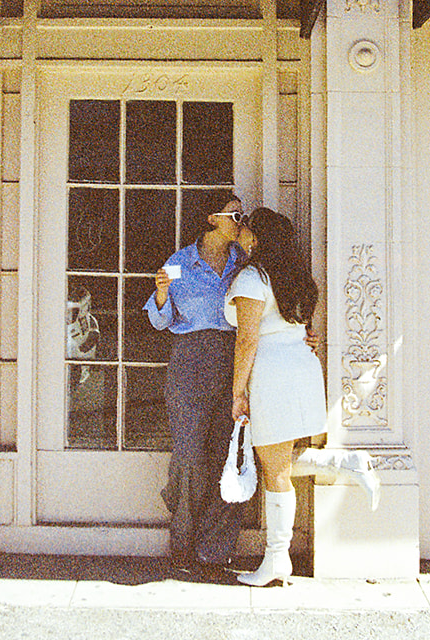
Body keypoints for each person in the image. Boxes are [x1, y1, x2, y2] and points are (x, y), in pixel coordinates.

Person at [227, 207, 381, 587]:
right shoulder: (293, 277)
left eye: (246, 229)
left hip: (272, 375)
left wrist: (237, 392)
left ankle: (277, 558)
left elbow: (247, 340)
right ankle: (348, 462)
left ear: (258, 238)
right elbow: (298, 329)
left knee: (275, 469)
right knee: (276, 460)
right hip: (300, 369)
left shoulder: (252, 278)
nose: (242, 234)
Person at [147, 191, 250, 569]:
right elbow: (160, 320)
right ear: (212, 219)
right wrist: (160, 294)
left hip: (234, 358)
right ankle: (183, 538)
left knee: (230, 455)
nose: (241, 223)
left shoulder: (245, 263)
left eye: (243, 217)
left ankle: (215, 547)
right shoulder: (179, 264)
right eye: (234, 216)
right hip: (189, 360)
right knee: (190, 457)